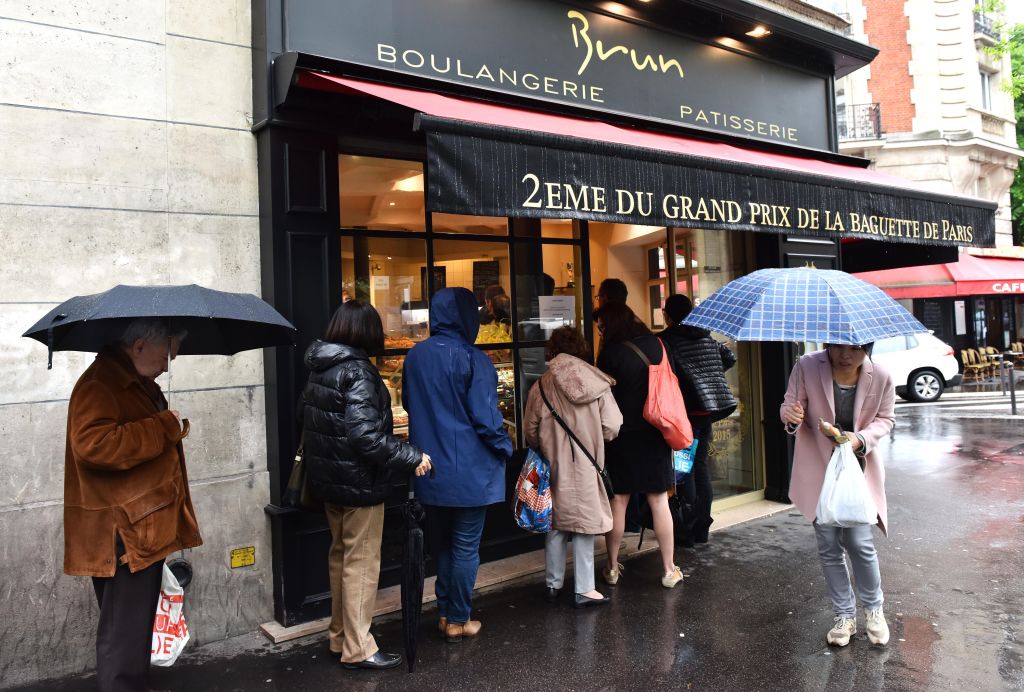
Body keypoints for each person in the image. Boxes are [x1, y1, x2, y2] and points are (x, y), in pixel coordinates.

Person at [64, 318, 199, 692]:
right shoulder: (101, 384)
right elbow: (94, 444)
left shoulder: (130, 381)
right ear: (139, 345)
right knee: (123, 633)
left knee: (134, 625)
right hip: (123, 530)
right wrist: (164, 427)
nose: (168, 363)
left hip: (137, 524)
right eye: (166, 351)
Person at [300, 301, 432, 670]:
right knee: (361, 562)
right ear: (365, 331)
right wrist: (412, 457)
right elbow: (365, 436)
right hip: (359, 484)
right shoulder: (358, 371)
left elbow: (309, 419)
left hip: (328, 482)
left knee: (341, 556)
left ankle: (340, 636)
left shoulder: (320, 366)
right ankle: (358, 647)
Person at [402, 287, 513, 642]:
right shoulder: (474, 359)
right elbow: (486, 420)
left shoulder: (415, 357)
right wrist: (506, 446)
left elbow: (407, 402)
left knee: (445, 546)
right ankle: (458, 619)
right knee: (466, 546)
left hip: (430, 469)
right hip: (470, 470)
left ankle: (446, 612)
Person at [780, 343, 894, 648]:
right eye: (838, 348)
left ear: (867, 348)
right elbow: (790, 407)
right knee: (828, 544)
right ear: (827, 344)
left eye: (855, 349)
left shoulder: (880, 375)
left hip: (858, 469)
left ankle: (874, 610)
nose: (845, 355)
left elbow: (886, 419)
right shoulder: (806, 365)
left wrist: (860, 439)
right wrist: (791, 415)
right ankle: (844, 615)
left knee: (859, 542)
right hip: (819, 468)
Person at [523, 327, 622, 608]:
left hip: (553, 464)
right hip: (588, 465)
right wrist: (595, 438)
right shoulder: (597, 383)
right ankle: (584, 588)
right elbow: (613, 426)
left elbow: (530, 429)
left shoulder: (541, 386)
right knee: (584, 526)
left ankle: (553, 584)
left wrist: (544, 444)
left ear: (552, 352)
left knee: (555, 524)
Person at [595, 302, 683, 589]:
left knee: (618, 500)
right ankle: (669, 570)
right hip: (655, 431)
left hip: (621, 435)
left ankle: (611, 567)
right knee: (659, 500)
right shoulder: (659, 344)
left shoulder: (611, 353)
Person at [658, 294, 738, 545]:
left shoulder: (666, 340)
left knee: (684, 471)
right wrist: (708, 377)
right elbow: (729, 357)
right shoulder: (705, 335)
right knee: (700, 467)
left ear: (667, 315)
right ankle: (702, 527)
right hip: (706, 414)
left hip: (685, 415)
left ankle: (687, 528)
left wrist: (692, 383)